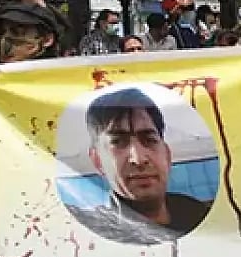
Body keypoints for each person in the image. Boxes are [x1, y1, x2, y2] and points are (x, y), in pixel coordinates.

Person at [65, 87, 212, 244]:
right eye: (118, 142)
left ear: (167, 155)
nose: (139, 159)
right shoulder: (87, 238)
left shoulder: (203, 218)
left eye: (149, 140)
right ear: (98, 161)